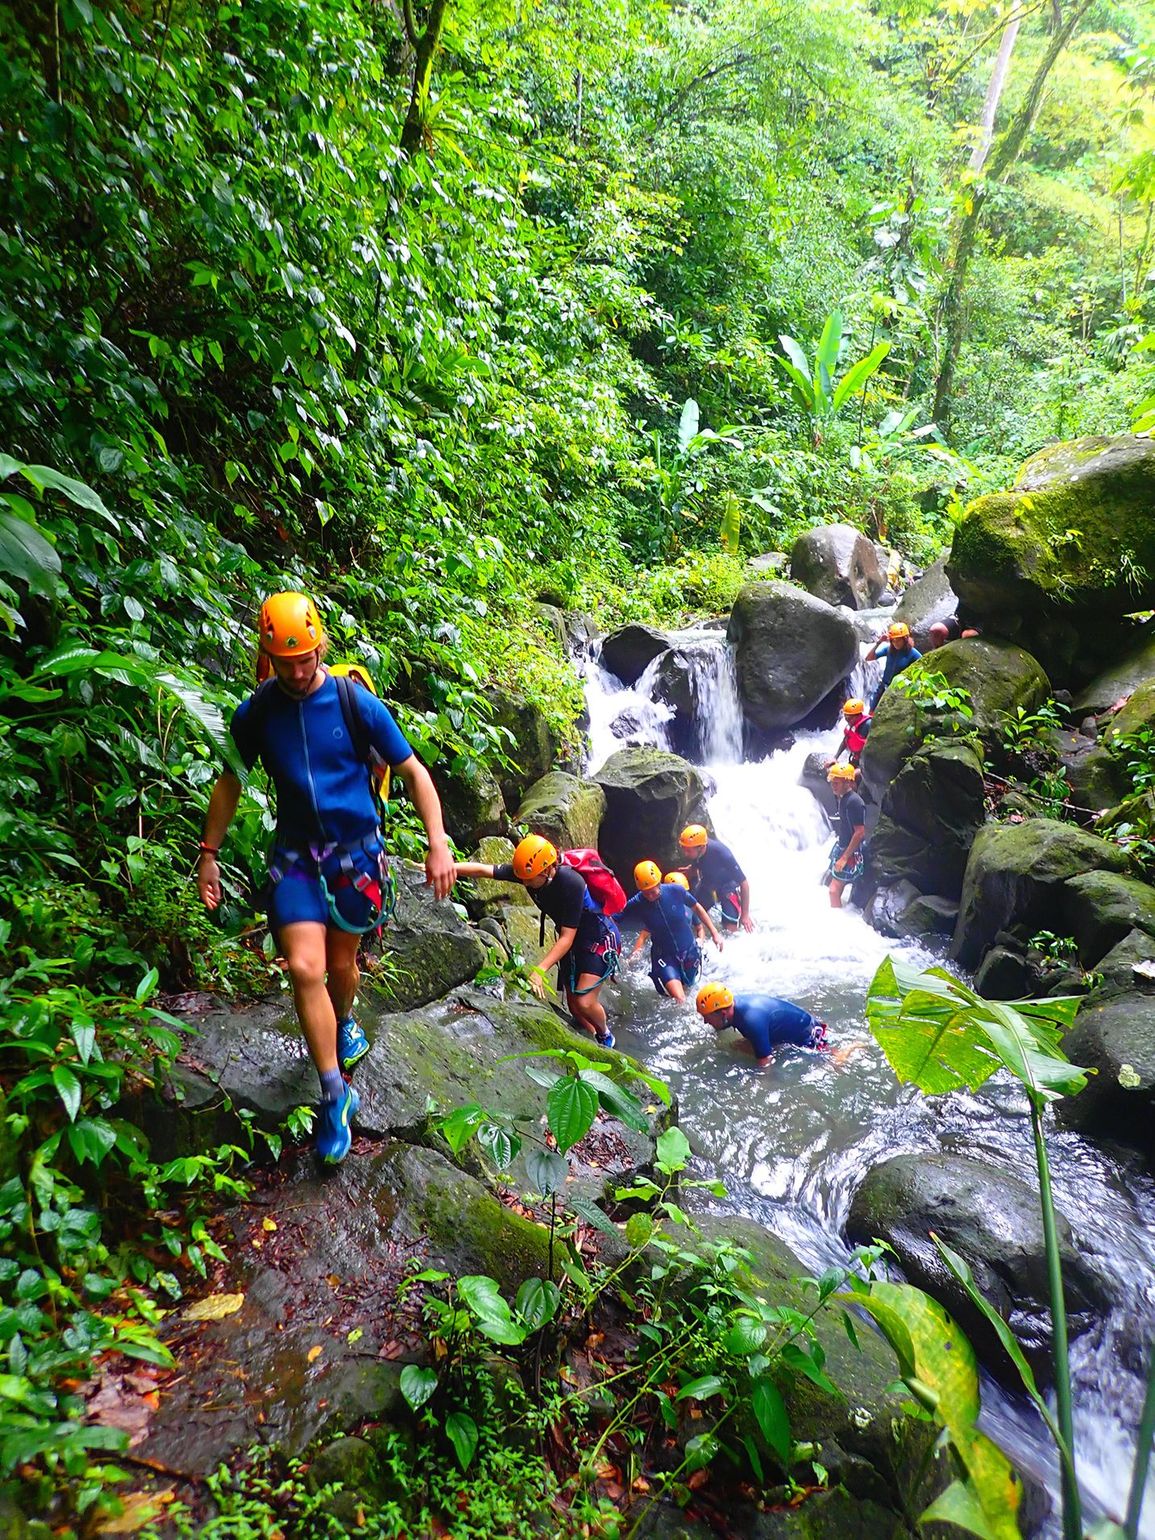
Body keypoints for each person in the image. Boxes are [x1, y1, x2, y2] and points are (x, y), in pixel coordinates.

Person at [197, 592, 456, 1166]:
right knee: (305, 967)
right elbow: (230, 782)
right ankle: (333, 1093)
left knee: (341, 966)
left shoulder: (353, 702)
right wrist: (208, 852)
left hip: (356, 858)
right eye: (285, 661)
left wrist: (438, 843)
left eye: (307, 657)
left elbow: (414, 771)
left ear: (321, 647)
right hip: (294, 857)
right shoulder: (257, 712)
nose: (297, 670)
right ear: (267, 656)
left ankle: (343, 1022)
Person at [454, 836, 621, 1047]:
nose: (525, 883)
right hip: (574, 941)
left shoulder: (571, 882)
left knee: (584, 1002)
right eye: (522, 878)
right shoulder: (530, 874)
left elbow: (567, 937)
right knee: (575, 1008)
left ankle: (605, 1035)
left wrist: (539, 971)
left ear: (545, 871)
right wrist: (445, 867)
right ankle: (590, 1041)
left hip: (598, 938)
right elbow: (485, 870)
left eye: (529, 879)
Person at [620, 860, 723, 1002]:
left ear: (658, 883)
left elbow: (698, 908)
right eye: (646, 893)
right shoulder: (637, 902)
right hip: (664, 958)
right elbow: (616, 917)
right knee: (680, 998)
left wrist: (715, 933)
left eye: (653, 891)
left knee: (689, 989)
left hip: (689, 952)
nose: (650, 896)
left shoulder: (676, 891)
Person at [695, 984, 853, 1069]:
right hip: (795, 1024)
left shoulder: (751, 1020)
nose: (705, 1022)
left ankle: (851, 1048)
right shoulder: (732, 1007)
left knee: (833, 1061)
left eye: (707, 1018)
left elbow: (766, 1062)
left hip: (808, 1036)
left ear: (722, 1013)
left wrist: (761, 1088)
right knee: (737, 1046)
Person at [677, 824, 753, 934]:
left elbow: (744, 883)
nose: (685, 853)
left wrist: (745, 915)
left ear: (701, 847)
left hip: (728, 887)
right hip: (708, 883)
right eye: (684, 849)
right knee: (692, 918)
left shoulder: (723, 853)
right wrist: (691, 870)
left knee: (730, 931)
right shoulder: (696, 852)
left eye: (688, 850)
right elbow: (698, 863)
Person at [825, 763, 866, 909]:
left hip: (850, 852)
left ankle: (836, 923)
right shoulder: (844, 796)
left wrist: (844, 858)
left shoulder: (854, 802)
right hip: (843, 845)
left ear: (847, 782)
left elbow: (860, 832)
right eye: (832, 782)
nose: (833, 786)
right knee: (833, 886)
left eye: (836, 783)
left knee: (833, 891)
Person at [865, 620, 921, 708]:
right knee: (871, 714)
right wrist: (879, 642)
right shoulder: (889, 649)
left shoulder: (913, 654)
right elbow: (868, 658)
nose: (895, 643)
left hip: (897, 691)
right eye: (893, 640)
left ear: (905, 639)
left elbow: (922, 671)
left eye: (898, 640)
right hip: (883, 688)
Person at [830, 698, 872, 767]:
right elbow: (845, 740)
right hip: (855, 759)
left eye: (849, 718)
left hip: (866, 763)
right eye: (845, 717)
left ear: (858, 715)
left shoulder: (868, 725)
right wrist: (835, 757)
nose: (847, 720)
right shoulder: (851, 724)